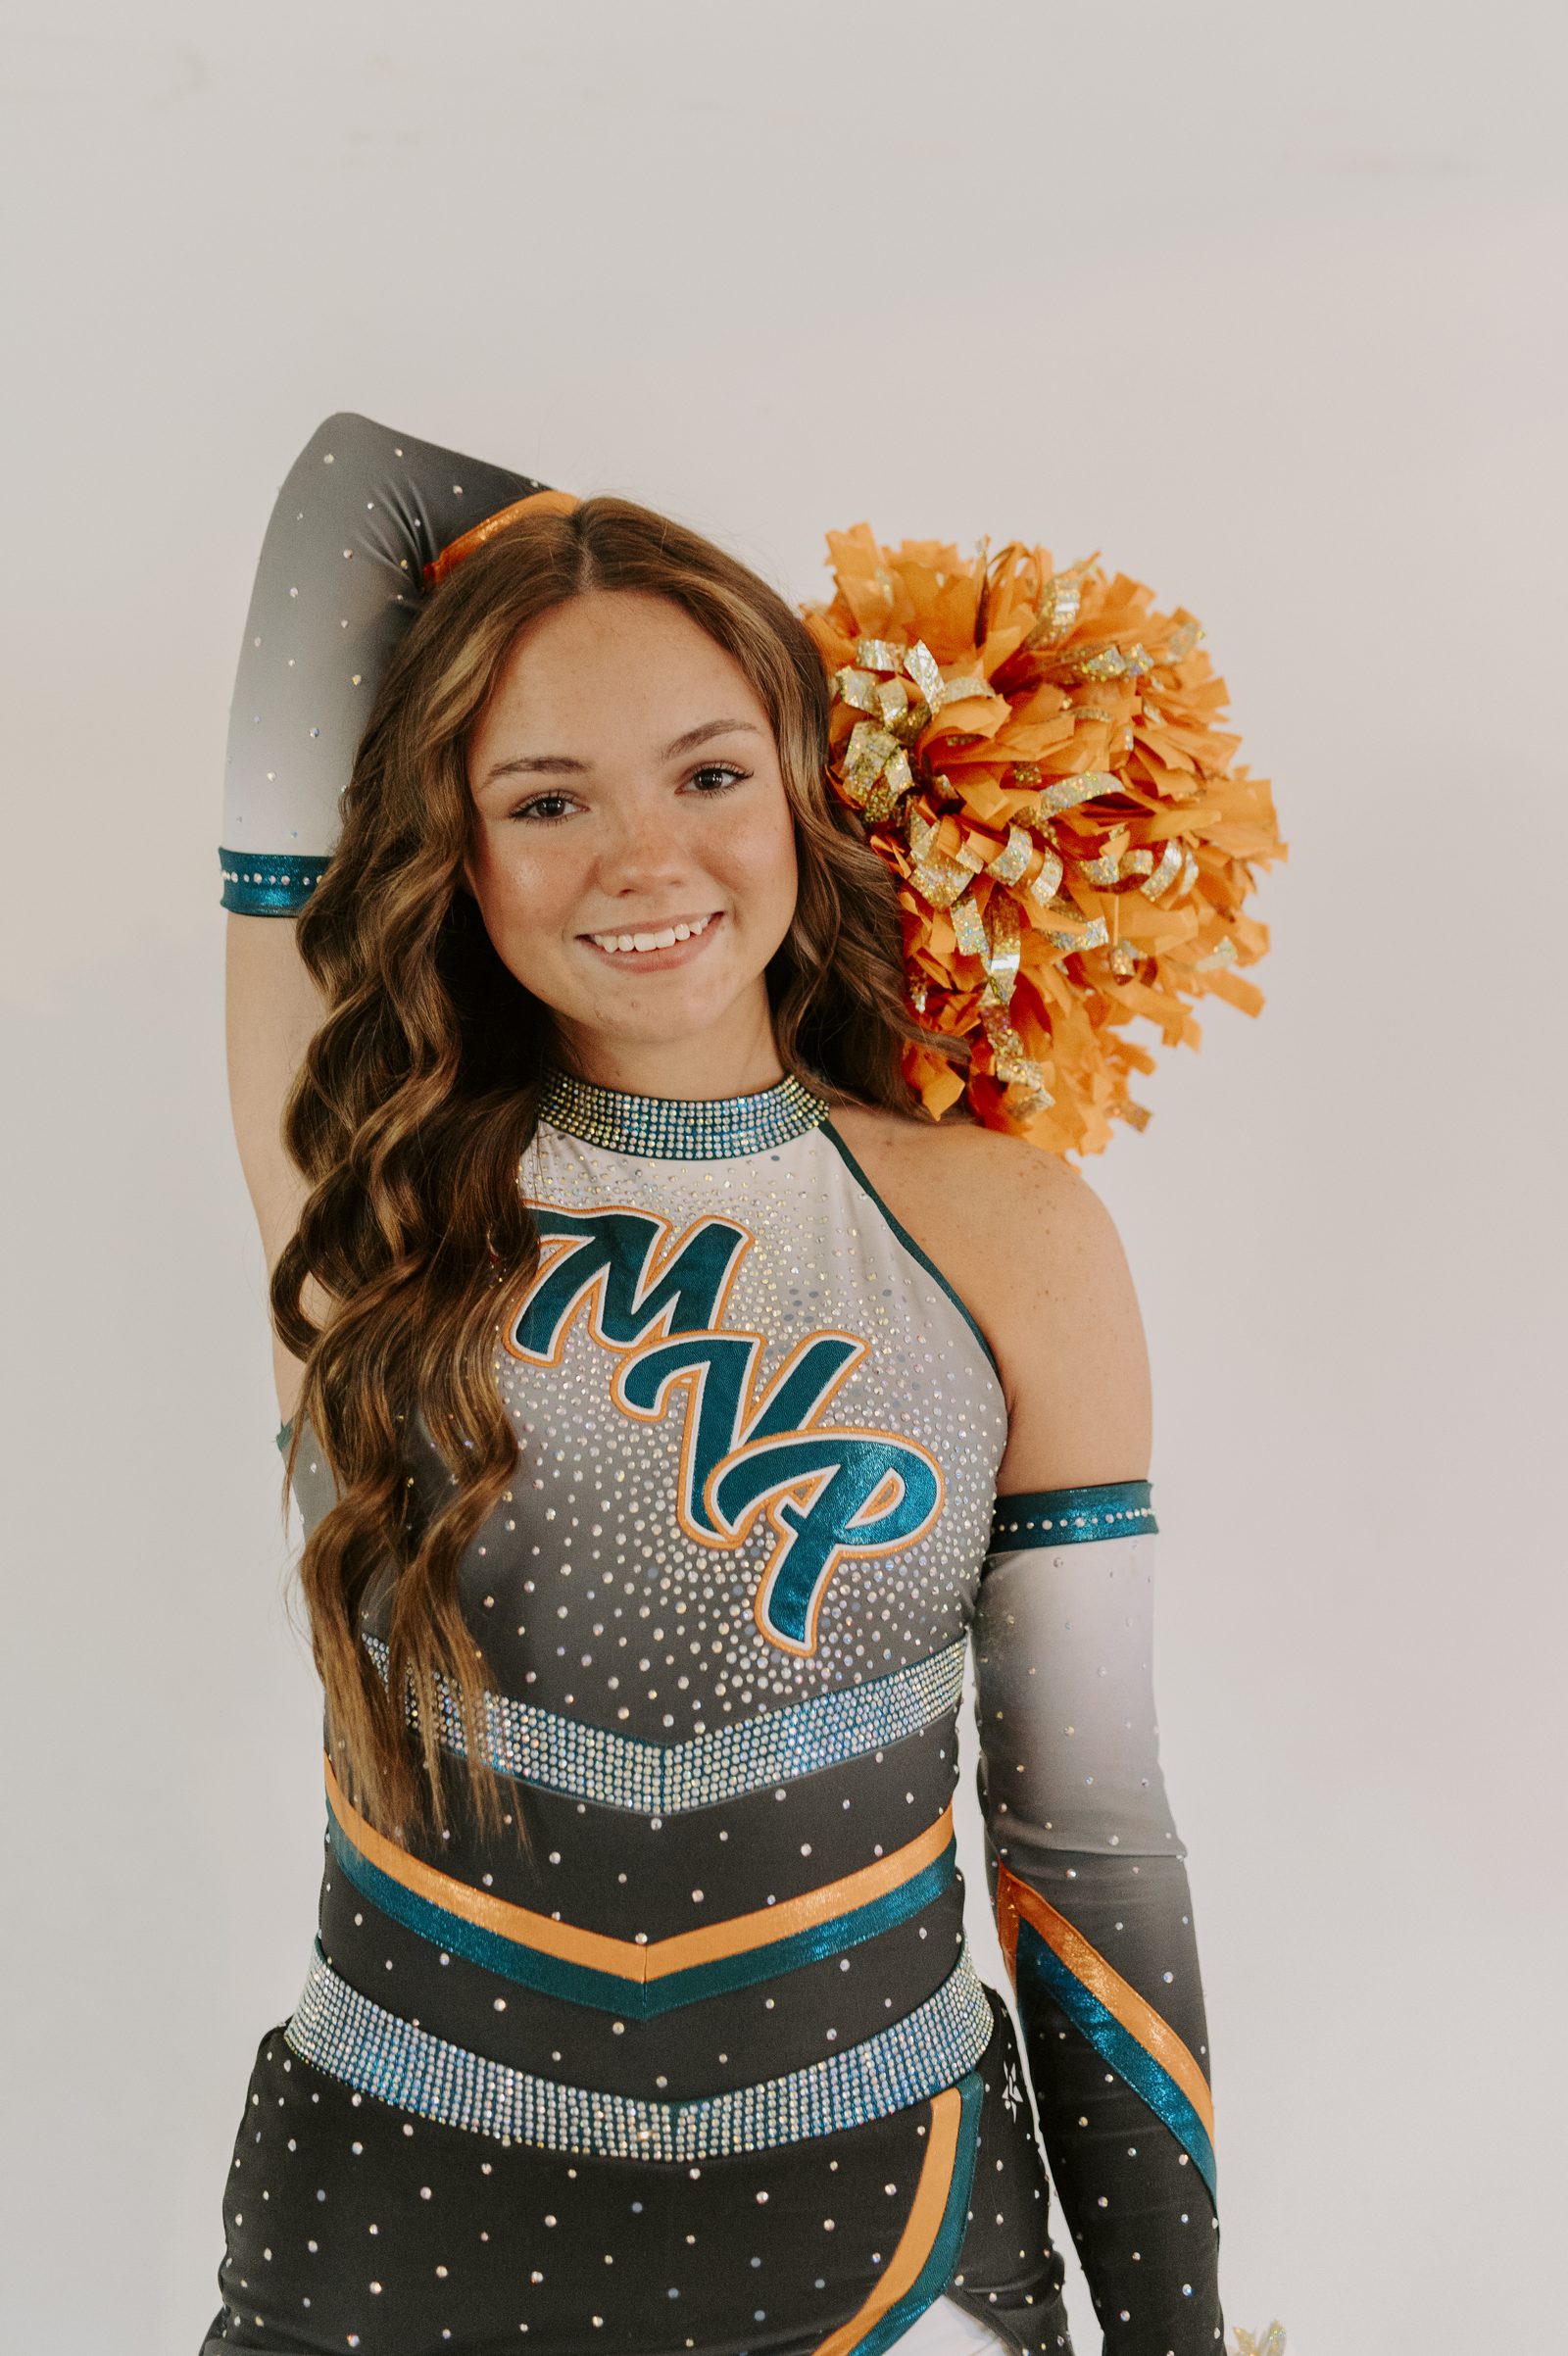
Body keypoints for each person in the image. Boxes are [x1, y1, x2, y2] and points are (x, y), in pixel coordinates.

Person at [208, 411, 1225, 2356]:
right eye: (543, 797)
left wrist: (1172, 2329)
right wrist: (576, 560)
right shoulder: (361, 1167)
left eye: (707, 766)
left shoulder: (1002, 1229)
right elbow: (349, 484)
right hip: (391, 2243)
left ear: (805, 786)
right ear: (450, 843)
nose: (645, 856)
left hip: (895, 2247)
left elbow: (1084, 1828)